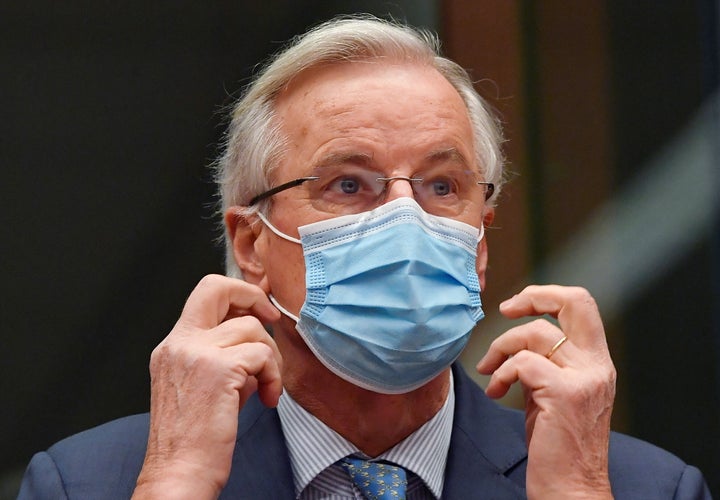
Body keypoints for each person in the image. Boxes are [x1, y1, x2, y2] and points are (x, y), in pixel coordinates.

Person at [19, 15, 711, 500]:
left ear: (481, 242)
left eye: (443, 186)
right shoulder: (92, 483)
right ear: (251, 245)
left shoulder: (642, 487)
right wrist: (172, 488)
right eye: (349, 184)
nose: (404, 220)